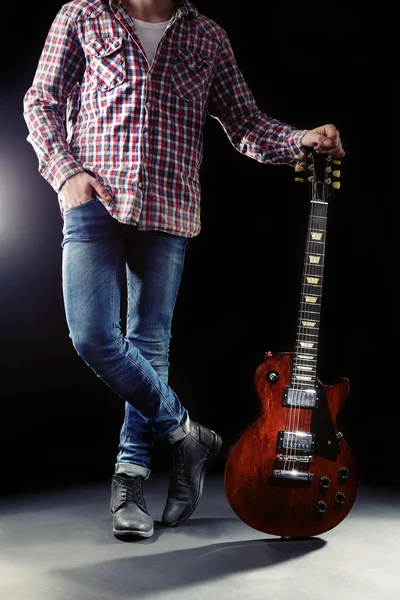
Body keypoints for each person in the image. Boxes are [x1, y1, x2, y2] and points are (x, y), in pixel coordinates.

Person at [23, 0, 345, 541]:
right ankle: (185, 433)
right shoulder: (81, 15)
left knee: (147, 343)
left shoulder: (208, 36)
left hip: (170, 209)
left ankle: (129, 479)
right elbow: (41, 102)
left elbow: (244, 123)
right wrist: (65, 173)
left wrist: (299, 140)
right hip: (93, 201)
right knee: (95, 336)